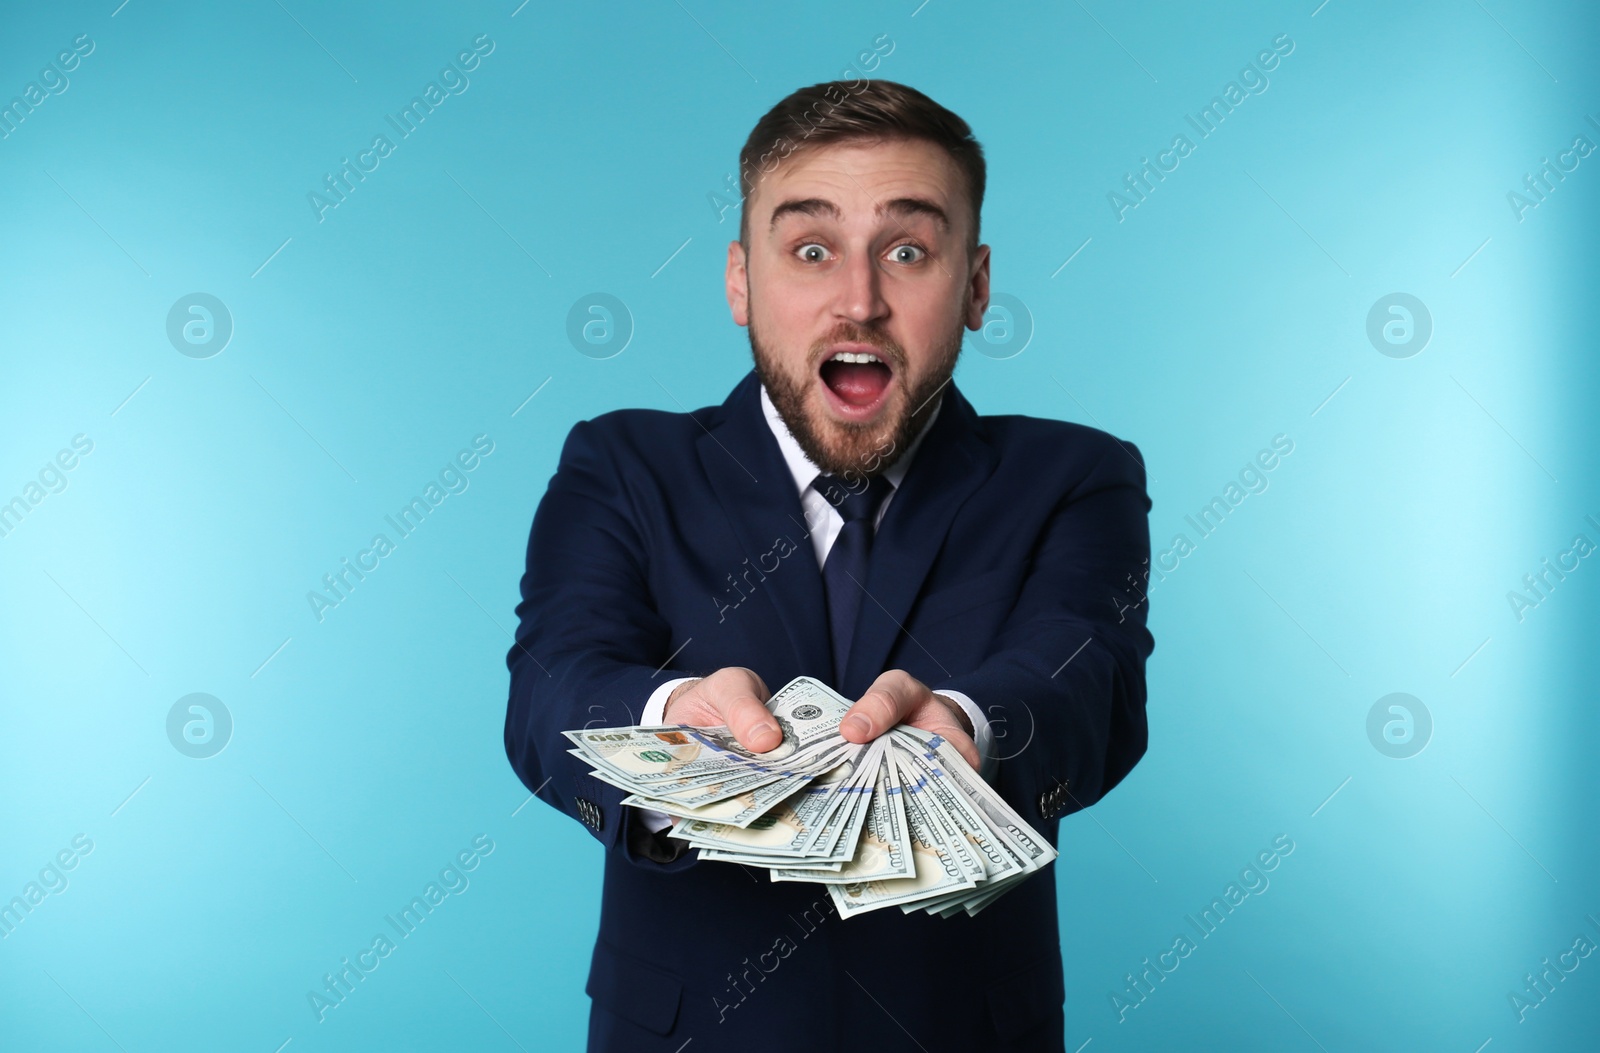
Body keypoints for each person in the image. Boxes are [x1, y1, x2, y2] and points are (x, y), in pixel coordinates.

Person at [504, 79, 1154, 1053]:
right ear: (739, 281)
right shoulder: (619, 464)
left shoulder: (1075, 476)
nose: (859, 301)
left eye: (907, 251)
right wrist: (669, 718)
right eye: (810, 250)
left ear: (975, 285)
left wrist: (969, 726)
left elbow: (1089, 678)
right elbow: (552, 681)